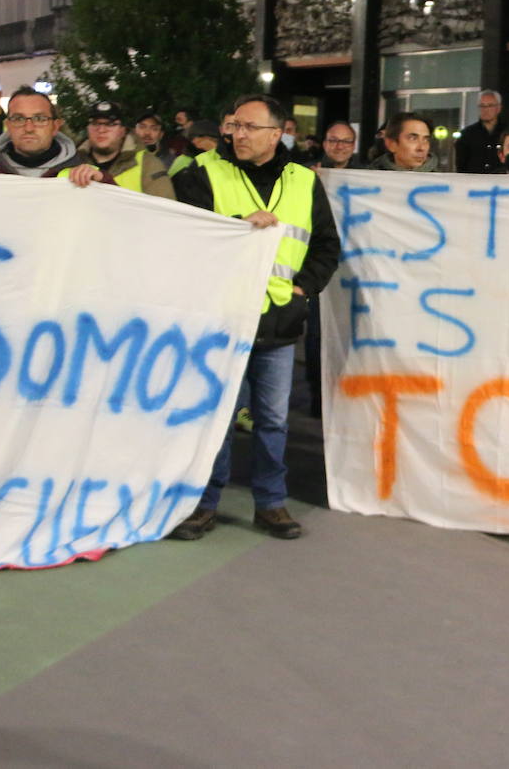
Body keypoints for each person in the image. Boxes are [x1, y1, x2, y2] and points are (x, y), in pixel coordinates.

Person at [170, 94, 340, 540]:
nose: (238, 134)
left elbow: (326, 245)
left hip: (280, 323)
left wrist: (303, 290)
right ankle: (202, 504)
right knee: (216, 417)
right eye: (234, 125)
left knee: (272, 420)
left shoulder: (303, 181)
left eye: (249, 127)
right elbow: (185, 235)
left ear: (277, 133)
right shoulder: (202, 172)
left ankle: (271, 503)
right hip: (221, 319)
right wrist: (237, 225)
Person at [0, 86, 90, 178]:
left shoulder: (90, 177)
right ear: (8, 126)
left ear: (55, 126)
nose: (29, 128)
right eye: (19, 119)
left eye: (40, 119)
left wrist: (102, 183)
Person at [80, 101, 175, 198]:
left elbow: (165, 210)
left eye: (110, 124)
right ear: (88, 128)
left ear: (123, 130)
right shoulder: (70, 159)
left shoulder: (148, 164)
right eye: (95, 123)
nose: (101, 130)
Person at [455, 89, 504, 173]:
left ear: (499, 108)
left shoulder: (507, 132)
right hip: (474, 183)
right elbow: (461, 165)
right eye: (482, 106)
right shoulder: (467, 134)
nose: (485, 109)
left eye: (490, 105)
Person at [368, 113, 435, 172]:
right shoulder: (368, 180)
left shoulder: (442, 180)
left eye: (426, 140)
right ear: (391, 144)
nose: (422, 148)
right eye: (413, 139)